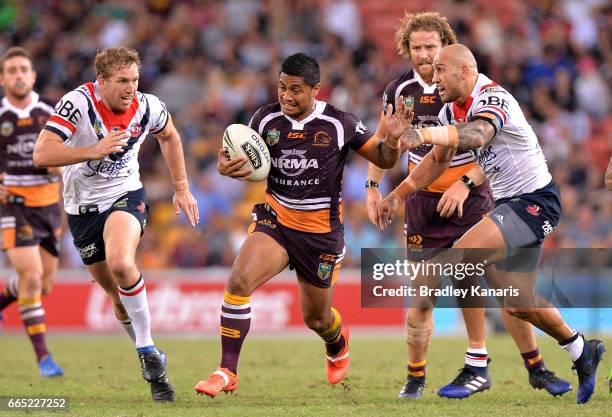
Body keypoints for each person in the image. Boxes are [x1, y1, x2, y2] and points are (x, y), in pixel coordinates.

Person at [375, 43, 605, 404]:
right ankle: (581, 350)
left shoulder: (493, 97)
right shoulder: (452, 109)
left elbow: (478, 135)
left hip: (534, 202)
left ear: (465, 71)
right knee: (518, 302)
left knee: (464, 258)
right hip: (511, 204)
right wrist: (396, 195)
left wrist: (424, 133)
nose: (434, 80)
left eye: (440, 70)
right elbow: (437, 161)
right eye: (432, 72)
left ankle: (477, 364)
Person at [194, 52, 406, 397]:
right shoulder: (264, 119)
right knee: (239, 280)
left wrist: (393, 141)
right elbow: (243, 159)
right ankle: (226, 371)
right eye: (281, 87)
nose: (286, 96)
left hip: (321, 235)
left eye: (296, 89)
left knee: (317, 319)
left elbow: (383, 158)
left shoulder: (341, 123)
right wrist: (224, 165)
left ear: (316, 90)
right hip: (276, 221)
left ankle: (337, 342)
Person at [33, 46, 199, 402]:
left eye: (135, 80)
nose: (130, 88)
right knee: (117, 298)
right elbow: (42, 153)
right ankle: (155, 365)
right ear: (101, 82)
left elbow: (170, 135)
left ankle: (146, 349)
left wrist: (181, 188)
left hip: (125, 195)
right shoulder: (77, 104)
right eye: (122, 81)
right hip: (81, 209)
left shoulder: (148, 106)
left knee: (123, 263)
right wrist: (91, 150)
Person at [0, 47, 64, 377]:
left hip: (49, 206)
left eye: (24, 69)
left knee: (44, 286)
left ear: (33, 75)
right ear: (3, 78)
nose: (18, 75)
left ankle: (4, 297)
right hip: (13, 206)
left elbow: (67, 155)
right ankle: (44, 359)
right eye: (11, 70)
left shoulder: (50, 112)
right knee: (31, 275)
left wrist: (60, 169)